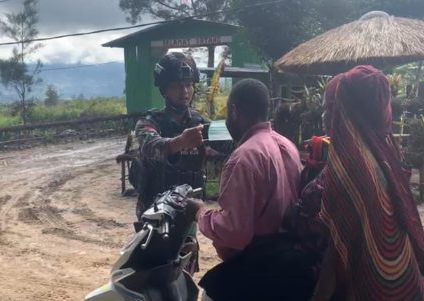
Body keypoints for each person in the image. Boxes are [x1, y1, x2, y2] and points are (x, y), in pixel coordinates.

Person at [305, 66, 424, 300]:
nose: (329, 116)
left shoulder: (353, 170)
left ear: (350, 111)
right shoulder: (385, 154)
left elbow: (334, 258)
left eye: (335, 107)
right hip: (404, 286)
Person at [187, 79, 319, 301]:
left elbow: (235, 232)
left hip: (261, 263)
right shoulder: (286, 145)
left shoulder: (245, 157)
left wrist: (199, 213)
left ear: (234, 111)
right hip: (291, 259)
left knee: (210, 291)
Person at [133, 52, 212, 219]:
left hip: (189, 209)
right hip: (154, 212)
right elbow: (149, 145)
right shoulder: (150, 122)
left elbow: (230, 141)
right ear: (164, 89)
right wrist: (179, 142)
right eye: (177, 86)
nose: (184, 91)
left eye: (189, 84)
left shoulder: (201, 123)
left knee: (188, 245)